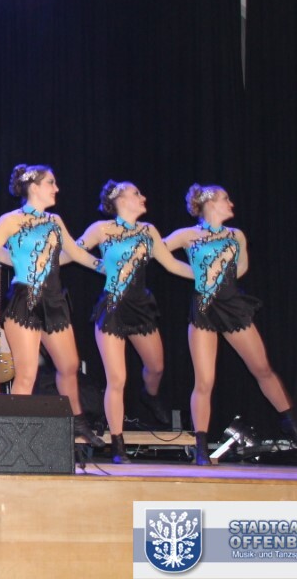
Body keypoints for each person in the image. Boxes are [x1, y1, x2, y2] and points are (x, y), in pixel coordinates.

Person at [163, 183, 297, 465]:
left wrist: (219, 277)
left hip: (232, 306)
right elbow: (157, 252)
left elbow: (242, 266)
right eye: (226, 199)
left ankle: (293, 426)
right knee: (204, 380)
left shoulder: (235, 235)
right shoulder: (188, 235)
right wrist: (196, 274)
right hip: (204, 309)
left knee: (262, 368)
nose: (231, 204)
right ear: (210, 203)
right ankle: (201, 445)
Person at [0, 164, 106, 448]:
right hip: (25, 300)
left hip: (54, 300)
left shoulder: (54, 220)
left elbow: (75, 252)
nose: (56, 188)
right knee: (27, 373)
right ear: (34, 187)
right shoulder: (10, 220)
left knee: (69, 365)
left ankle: (77, 423)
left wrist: (106, 268)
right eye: (51, 183)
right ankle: (13, 438)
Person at [74, 180, 193, 463]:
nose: (142, 197)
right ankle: (117, 444)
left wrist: (207, 278)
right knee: (117, 378)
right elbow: (73, 250)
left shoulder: (148, 231)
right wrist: (98, 265)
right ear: (119, 199)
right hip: (112, 307)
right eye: (136, 193)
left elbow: (172, 264)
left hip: (140, 307)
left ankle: (150, 395)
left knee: (156, 367)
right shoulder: (101, 229)